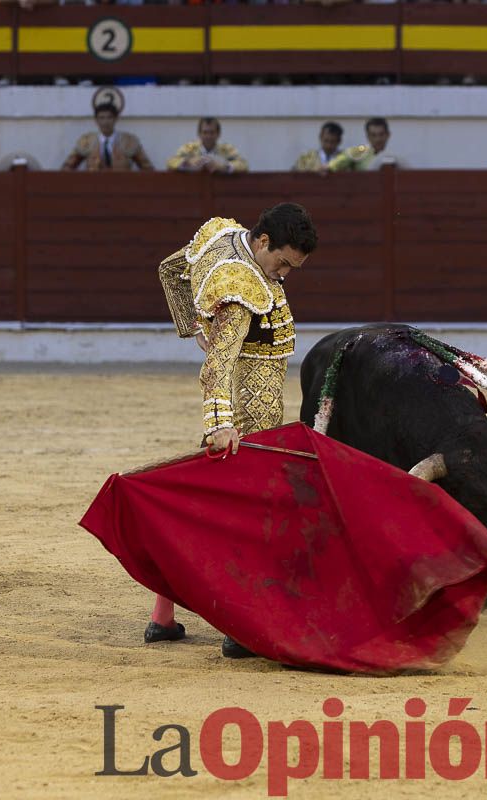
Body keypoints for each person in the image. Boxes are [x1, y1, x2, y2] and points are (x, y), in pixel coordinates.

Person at [152, 203, 318, 658]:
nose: (284, 275)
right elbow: (217, 367)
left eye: (293, 268)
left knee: (198, 505)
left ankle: (162, 617)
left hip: (239, 402)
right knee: (250, 518)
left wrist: (193, 328)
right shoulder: (242, 284)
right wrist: (221, 426)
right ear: (263, 242)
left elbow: (171, 272)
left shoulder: (222, 235)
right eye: (283, 262)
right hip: (250, 408)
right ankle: (239, 628)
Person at [62, 102, 155, 171]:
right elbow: (67, 168)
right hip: (93, 189)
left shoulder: (129, 141)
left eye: (109, 117)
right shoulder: (86, 142)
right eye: (101, 118)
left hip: (122, 188)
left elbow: (147, 168)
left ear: (116, 119)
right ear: (96, 120)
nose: (105, 122)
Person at [166, 117, 248, 173]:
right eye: (205, 132)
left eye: (212, 132)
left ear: (218, 134)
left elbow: (244, 165)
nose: (208, 136)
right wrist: (188, 163)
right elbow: (170, 162)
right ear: (199, 134)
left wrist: (223, 167)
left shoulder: (227, 149)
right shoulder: (189, 148)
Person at [327, 117, 392, 172]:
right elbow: (344, 157)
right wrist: (328, 167)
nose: (377, 139)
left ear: (388, 135)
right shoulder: (362, 149)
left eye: (381, 134)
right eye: (373, 135)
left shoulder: (394, 153)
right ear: (368, 136)